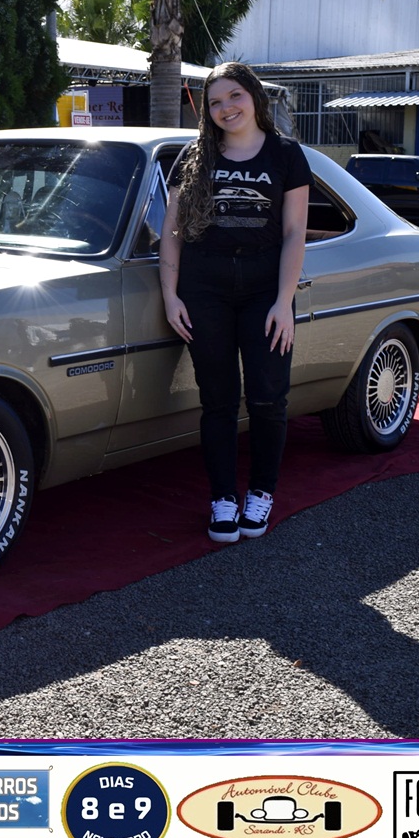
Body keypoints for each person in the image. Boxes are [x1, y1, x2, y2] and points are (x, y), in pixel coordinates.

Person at [159, 62, 310, 545]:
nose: (226, 108)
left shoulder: (287, 154)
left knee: (268, 396)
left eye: (234, 96)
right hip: (204, 289)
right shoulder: (195, 156)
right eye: (215, 102)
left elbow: (294, 233)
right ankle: (223, 498)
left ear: (254, 96)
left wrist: (284, 301)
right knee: (218, 399)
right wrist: (170, 295)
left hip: (266, 289)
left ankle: (261, 492)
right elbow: (172, 231)